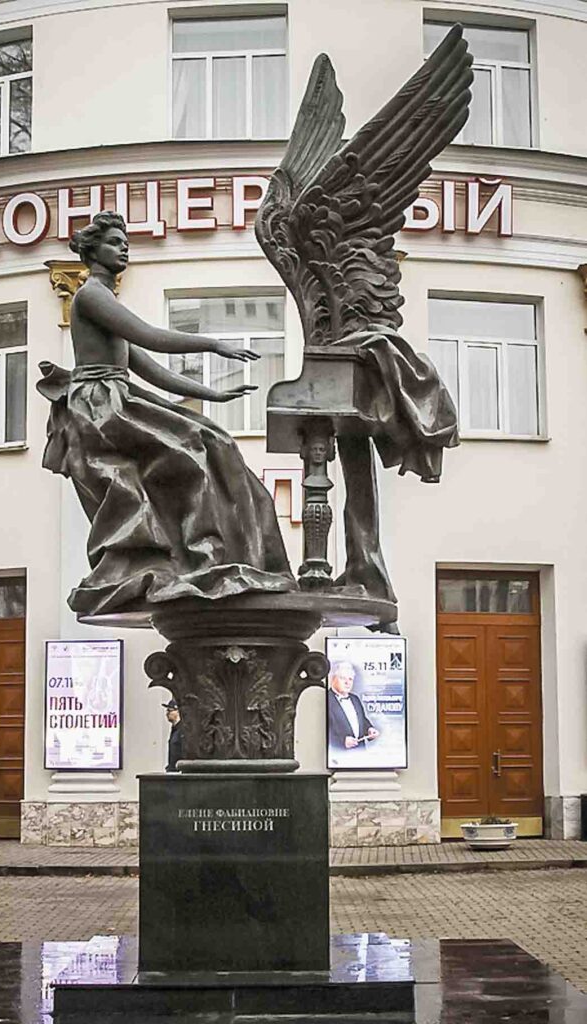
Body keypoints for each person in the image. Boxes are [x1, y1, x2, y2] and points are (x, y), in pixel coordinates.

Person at [37, 212, 296, 615]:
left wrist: (211, 393)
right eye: (113, 242)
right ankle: (201, 557)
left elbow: (153, 371)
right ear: (92, 251)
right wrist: (212, 345)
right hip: (100, 407)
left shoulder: (106, 301)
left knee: (214, 439)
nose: (124, 247)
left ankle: (230, 557)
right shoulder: (90, 294)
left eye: (125, 241)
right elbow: (149, 337)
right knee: (190, 454)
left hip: (116, 398)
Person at [327, 661, 379, 751]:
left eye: (350, 679)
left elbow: (362, 720)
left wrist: (369, 729)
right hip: (337, 757)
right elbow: (321, 731)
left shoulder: (355, 699)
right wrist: (342, 741)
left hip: (360, 755)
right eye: (343, 678)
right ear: (333, 679)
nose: (347, 682)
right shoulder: (325, 699)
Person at [163, 699, 184, 772]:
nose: (167, 713)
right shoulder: (174, 730)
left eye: (169, 710)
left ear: (177, 711)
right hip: (173, 771)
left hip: (178, 772)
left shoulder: (182, 730)